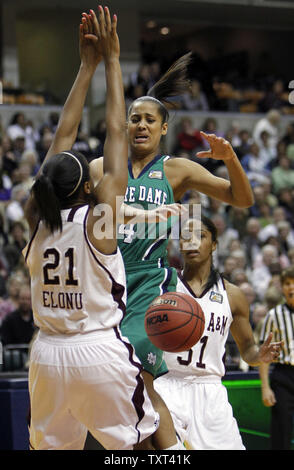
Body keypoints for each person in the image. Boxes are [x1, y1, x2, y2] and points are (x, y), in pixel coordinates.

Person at [89, 43, 254, 451]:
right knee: (117, 394)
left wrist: (230, 158)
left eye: (149, 120)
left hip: (149, 285)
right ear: (123, 126)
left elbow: (242, 198)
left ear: (164, 129)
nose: (140, 125)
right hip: (106, 287)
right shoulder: (100, 169)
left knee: (139, 379)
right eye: (133, 119)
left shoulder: (175, 170)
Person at [22, 7, 158, 451]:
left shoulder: (36, 218)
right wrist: (112, 62)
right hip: (97, 348)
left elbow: (62, 138)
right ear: (87, 186)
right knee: (139, 447)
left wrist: (84, 67)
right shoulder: (100, 220)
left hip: (45, 355)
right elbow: (116, 133)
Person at [154, 215, 282, 450]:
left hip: (210, 388)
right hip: (167, 384)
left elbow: (248, 350)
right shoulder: (164, 285)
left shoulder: (232, 295)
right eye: (185, 238)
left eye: (200, 236)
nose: (191, 243)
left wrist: (259, 355)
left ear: (214, 244)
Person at [259, 265, 294, 450]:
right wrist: (265, 387)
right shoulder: (274, 315)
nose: (291, 287)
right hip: (284, 376)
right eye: (287, 283)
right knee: (281, 431)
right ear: (282, 287)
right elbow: (265, 353)